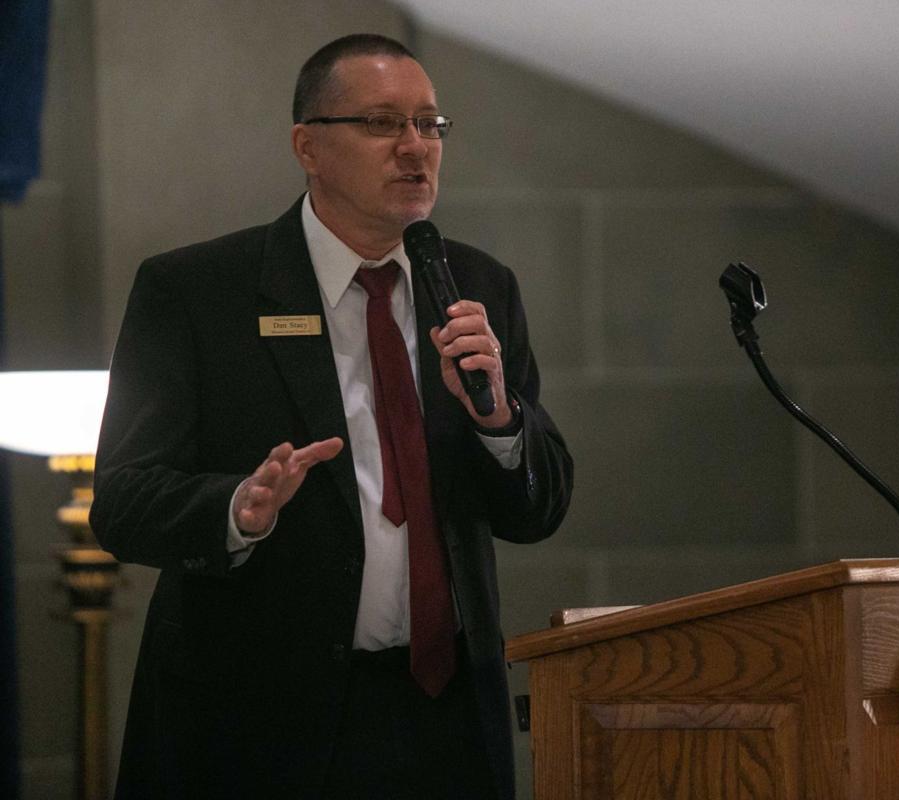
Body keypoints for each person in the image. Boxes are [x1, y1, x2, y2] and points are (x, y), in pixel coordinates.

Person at [90, 33, 572, 800]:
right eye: (383, 124)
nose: (416, 149)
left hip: (445, 725)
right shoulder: (197, 292)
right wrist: (236, 510)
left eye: (430, 124)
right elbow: (121, 502)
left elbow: (536, 510)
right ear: (308, 147)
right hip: (258, 725)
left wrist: (499, 419)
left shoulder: (480, 286)